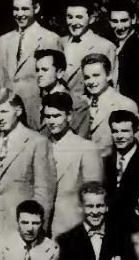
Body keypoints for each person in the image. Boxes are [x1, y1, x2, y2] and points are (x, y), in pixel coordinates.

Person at [0, 89, 55, 237]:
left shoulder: (37, 142)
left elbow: (44, 192)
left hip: (24, 230)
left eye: (4, 111)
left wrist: (36, 231)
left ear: (17, 111)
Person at [43, 92, 103, 237]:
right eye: (48, 116)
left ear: (69, 116)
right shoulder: (40, 146)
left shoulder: (86, 148)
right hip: (42, 229)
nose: (51, 121)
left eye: (57, 116)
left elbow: (94, 196)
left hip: (72, 229)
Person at [0, 0, 61, 97]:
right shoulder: (4, 40)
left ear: (36, 8)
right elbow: (0, 79)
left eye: (25, 9)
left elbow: (56, 81)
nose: (19, 14)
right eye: (16, 9)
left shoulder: (50, 39)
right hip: (9, 108)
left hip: (37, 108)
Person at [80, 53, 138, 157]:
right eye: (87, 77)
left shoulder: (125, 104)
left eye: (96, 75)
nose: (91, 82)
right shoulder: (82, 103)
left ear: (109, 75)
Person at [59, 0, 115, 99]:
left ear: (91, 19)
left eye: (79, 17)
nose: (74, 23)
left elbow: (112, 87)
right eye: (70, 17)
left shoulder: (105, 46)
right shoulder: (59, 42)